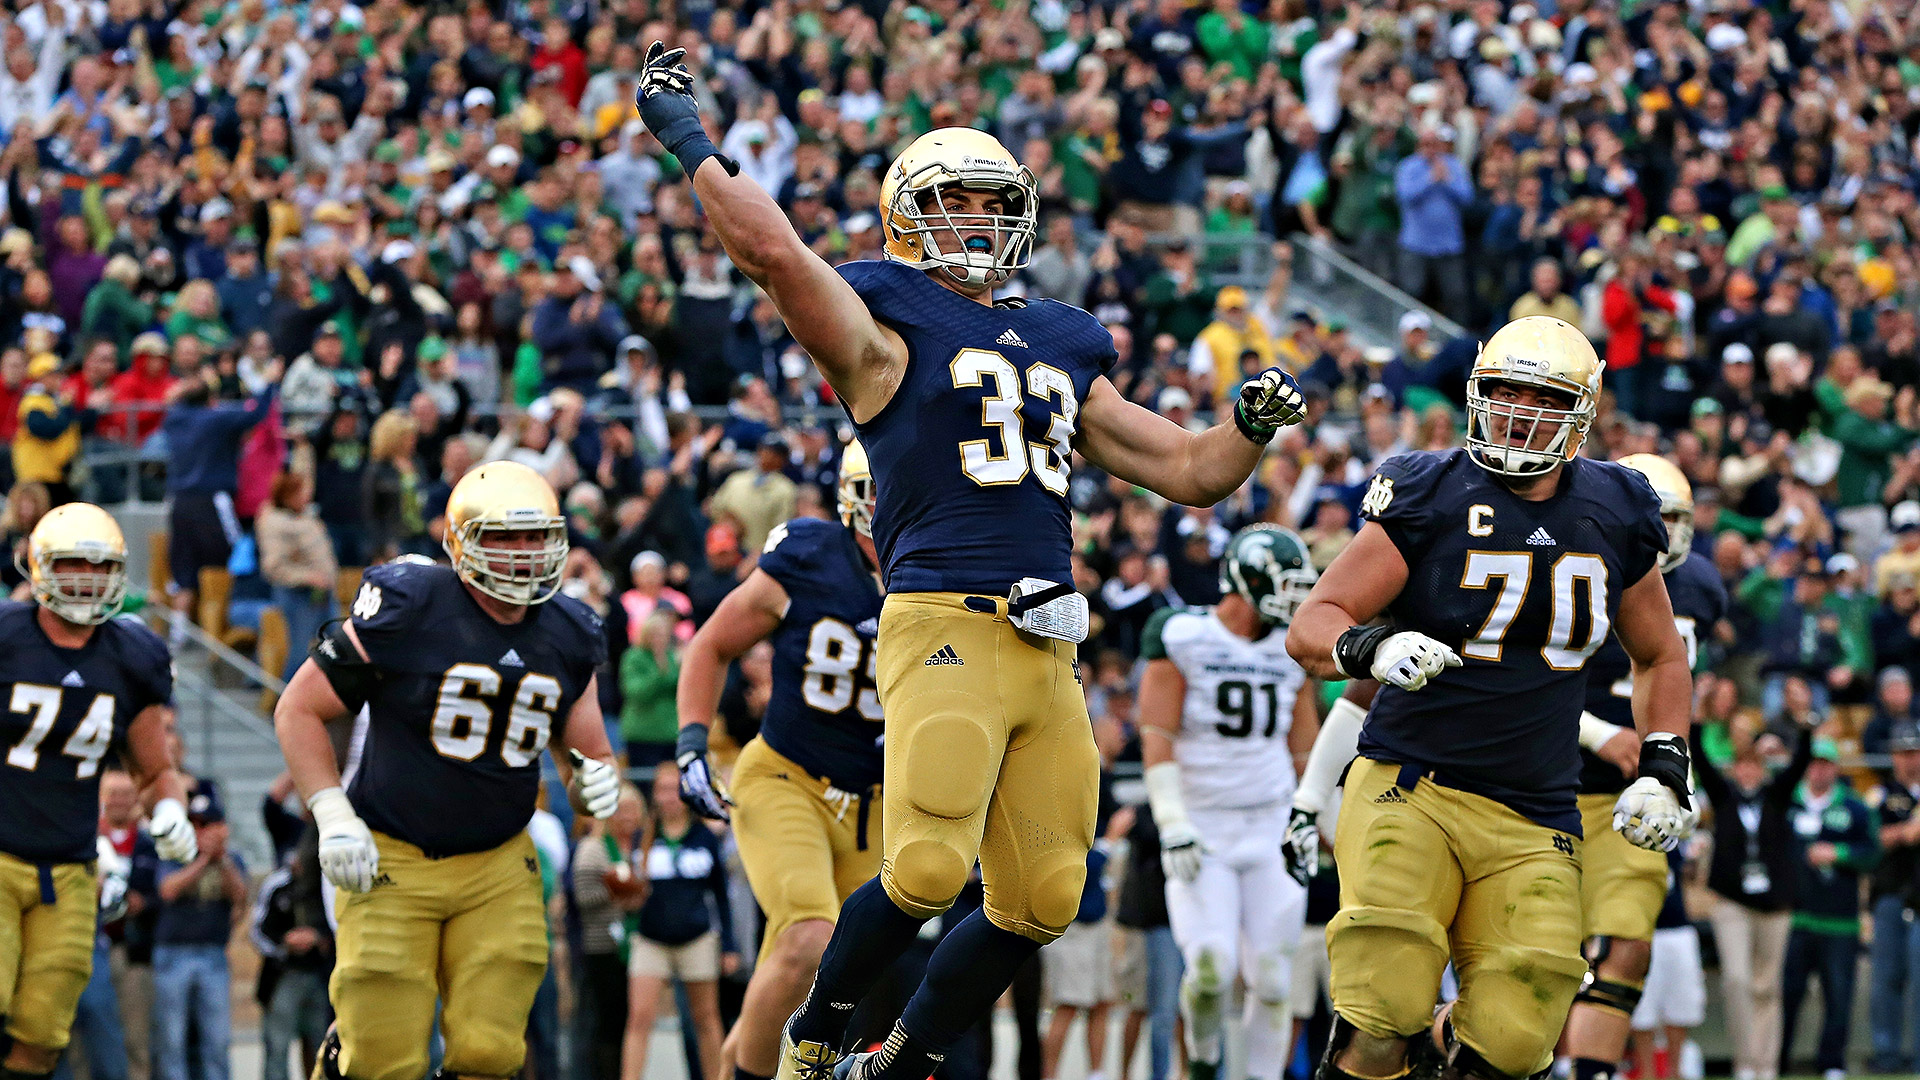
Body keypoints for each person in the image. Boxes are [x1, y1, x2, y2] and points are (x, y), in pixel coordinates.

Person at [636, 47, 1306, 1080]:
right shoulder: (881, 318)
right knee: (928, 863)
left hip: (1051, 641)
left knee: (1042, 898)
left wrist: (1249, 426)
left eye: (994, 204)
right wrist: (686, 136)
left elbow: (1185, 465)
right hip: (943, 614)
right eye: (952, 201)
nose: (977, 222)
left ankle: (902, 1055)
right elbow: (773, 254)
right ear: (907, 214)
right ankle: (815, 1035)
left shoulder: (1061, 338)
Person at [1284, 316, 1692, 1080]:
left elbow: (1660, 651)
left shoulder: (1616, 507)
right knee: (1383, 1004)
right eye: (1501, 391)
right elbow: (1313, 623)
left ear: (1581, 414)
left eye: (1539, 397)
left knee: (1513, 1040)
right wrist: (1373, 646)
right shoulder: (1430, 491)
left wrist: (1666, 762)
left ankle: (1439, 1048)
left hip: (1537, 809)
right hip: (1413, 786)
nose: (1513, 410)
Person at [271, 460, 623, 1080]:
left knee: (491, 1052)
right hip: (392, 853)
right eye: (502, 538)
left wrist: (595, 784)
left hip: (497, 862)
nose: (521, 553)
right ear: (460, 542)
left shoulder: (569, 629)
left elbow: (587, 754)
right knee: (382, 1061)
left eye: (534, 536)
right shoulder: (413, 606)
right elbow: (300, 707)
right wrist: (331, 812)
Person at [674, 441, 887, 1080]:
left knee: (808, 968)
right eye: (883, 493)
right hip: (787, 777)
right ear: (853, 501)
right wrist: (691, 745)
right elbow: (712, 644)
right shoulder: (812, 555)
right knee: (809, 938)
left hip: (877, 806)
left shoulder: (951, 569)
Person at [0, 503, 196, 1080]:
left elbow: (155, 769)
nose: (86, 579)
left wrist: (170, 811)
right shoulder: (7, 639)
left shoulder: (131, 656)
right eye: (71, 565)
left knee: (43, 1032)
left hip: (70, 868)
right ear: (37, 568)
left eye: (98, 566)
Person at [1561, 455, 1728, 1080]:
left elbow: (1674, 681)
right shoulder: (1572, 563)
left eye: (1678, 518)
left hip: (1635, 791)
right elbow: (1520, 682)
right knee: (1540, 956)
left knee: (1628, 946)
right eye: (1655, 516)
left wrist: (1674, 770)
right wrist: (1602, 734)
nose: (1666, 531)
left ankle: (1591, 1072)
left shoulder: (1701, 587)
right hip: (1546, 780)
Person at [1135, 525, 1320, 1080]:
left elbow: (1304, 749)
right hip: (1204, 824)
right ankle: (1206, 1062)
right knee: (1211, 971)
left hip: (1270, 823)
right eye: (1285, 585)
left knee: (1274, 977)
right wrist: (1172, 823)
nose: (1295, 599)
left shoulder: (1291, 648)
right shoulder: (1183, 633)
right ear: (1249, 578)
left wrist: (1314, 817)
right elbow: (1157, 736)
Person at [1694, 725, 1815, 1080]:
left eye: (1754, 766)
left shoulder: (1776, 798)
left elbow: (1798, 766)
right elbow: (1701, 762)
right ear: (1735, 769)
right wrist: (1699, 724)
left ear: (1762, 770)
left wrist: (1803, 727)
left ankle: (1766, 1065)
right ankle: (1745, 1061)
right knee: (1736, 979)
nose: (1748, 772)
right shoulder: (1724, 797)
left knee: (1768, 986)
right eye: (1742, 766)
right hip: (1732, 900)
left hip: (1774, 903)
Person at [624, 765, 736, 1080]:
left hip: (696, 938)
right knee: (639, 1018)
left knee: (706, 1019)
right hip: (650, 938)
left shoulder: (704, 837)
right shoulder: (643, 838)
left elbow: (722, 896)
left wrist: (728, 946)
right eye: (662, 789)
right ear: (654, 795)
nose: (669, 797)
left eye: (675, 789)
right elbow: (632, 892)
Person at [1777, 737, 1879, 1079]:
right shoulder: (1787, 803)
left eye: (1826, 763)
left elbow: (1873, 852)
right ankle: (1777, 1060)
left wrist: (1839, 854)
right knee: (1787, 995)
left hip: (1839, 922)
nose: (1819, 768)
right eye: (1814, 762)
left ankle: (1832, 1062)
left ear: (1835, 767)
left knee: (1839, 996)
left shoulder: (1854, 807)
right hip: (1794, 917)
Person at [150, 802, 247, 1080]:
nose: (200, 831)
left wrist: (220, 859)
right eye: (195, 824)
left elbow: (240, 895)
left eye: (207, 824)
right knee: (172, 1040)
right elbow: (168, 890)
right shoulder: (171, 853)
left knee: (217, 1040)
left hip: (213, 953)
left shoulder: (231, 860)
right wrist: (202, 859)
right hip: (172, 954)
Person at [572, 784, 649, 1080]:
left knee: (634, 1021)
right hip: (603, 947)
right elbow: (582, 897)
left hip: (641, 944)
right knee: (606, 1023)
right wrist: (615, 891)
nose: (627, 816)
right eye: (620, 809)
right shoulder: (593, 848)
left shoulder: (645, 846)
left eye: (632, 809)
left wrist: (639, 894)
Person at [1868, 723, 1920, 1073]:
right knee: (1885, 978)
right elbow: (1871, 839)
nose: (1909, 759)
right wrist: (1906, 832)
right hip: (1889, 893)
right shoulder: (1881, 794)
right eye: (1902, 753)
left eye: (1914, 751)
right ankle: (1885, 1055)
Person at [256, 471, 339, 683]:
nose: (307, 496)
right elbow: (274, 567)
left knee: (338, 645)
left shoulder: (305, 516)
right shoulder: (275, 523)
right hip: (298, 596)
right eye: (301, 492)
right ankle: (285, 699)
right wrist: (308, 577)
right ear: (288, 495)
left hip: (323, 594)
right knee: (300, 650)